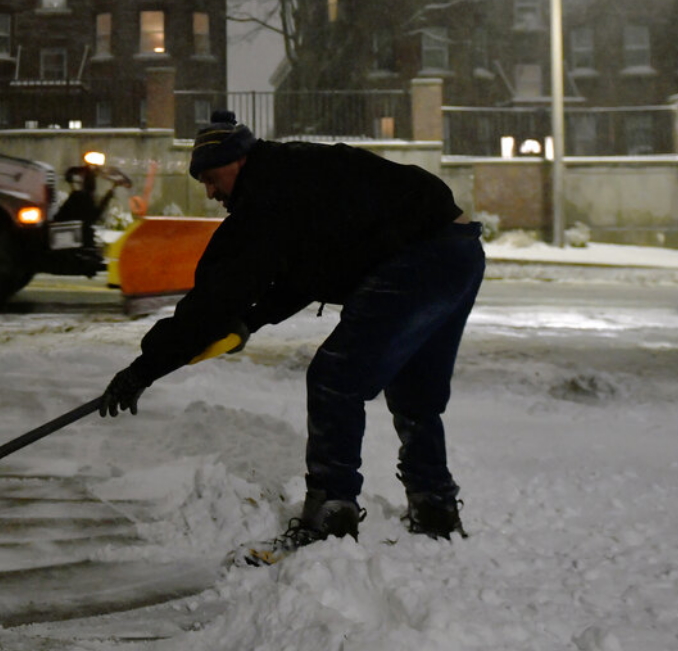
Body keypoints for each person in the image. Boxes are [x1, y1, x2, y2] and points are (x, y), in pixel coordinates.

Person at [99, 110, 485, 562]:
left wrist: (144, 368)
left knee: (335, 377)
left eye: (210, 177)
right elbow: (302, 276)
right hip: (459, 253)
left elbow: (215, 300)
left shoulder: (267, 197)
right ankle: (434, 507)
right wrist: (250, 323)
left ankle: (330, 516)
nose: (209, 192)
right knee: (415, 390)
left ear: (236, 160)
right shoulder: (293, 174)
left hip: (419, 259)